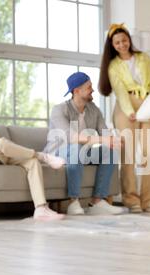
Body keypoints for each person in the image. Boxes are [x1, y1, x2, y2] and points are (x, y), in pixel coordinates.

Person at [99, 23, 150, 213]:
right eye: (117, 43)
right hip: (125, 107)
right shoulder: (113, 66)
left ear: (129, 40)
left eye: (124, 40)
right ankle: (131, 198)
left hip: (147, 103)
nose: (121, 45)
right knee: (128, 154)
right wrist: (129, 110)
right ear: (112, 46)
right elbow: (120, 91)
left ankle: (149, 199)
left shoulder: (143, 58)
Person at [44, 72, 124, 215]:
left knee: (109, 152)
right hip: (57, 153)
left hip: (81, 151)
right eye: (89, 87)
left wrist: (113, 139)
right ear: (76, 91)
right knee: (76, 147)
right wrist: (102, 140)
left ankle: (97, 202)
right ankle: (73, 202)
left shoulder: (94, 110)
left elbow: (104, 133)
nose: (92, 90)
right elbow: (72, 137)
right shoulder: (59, 110)